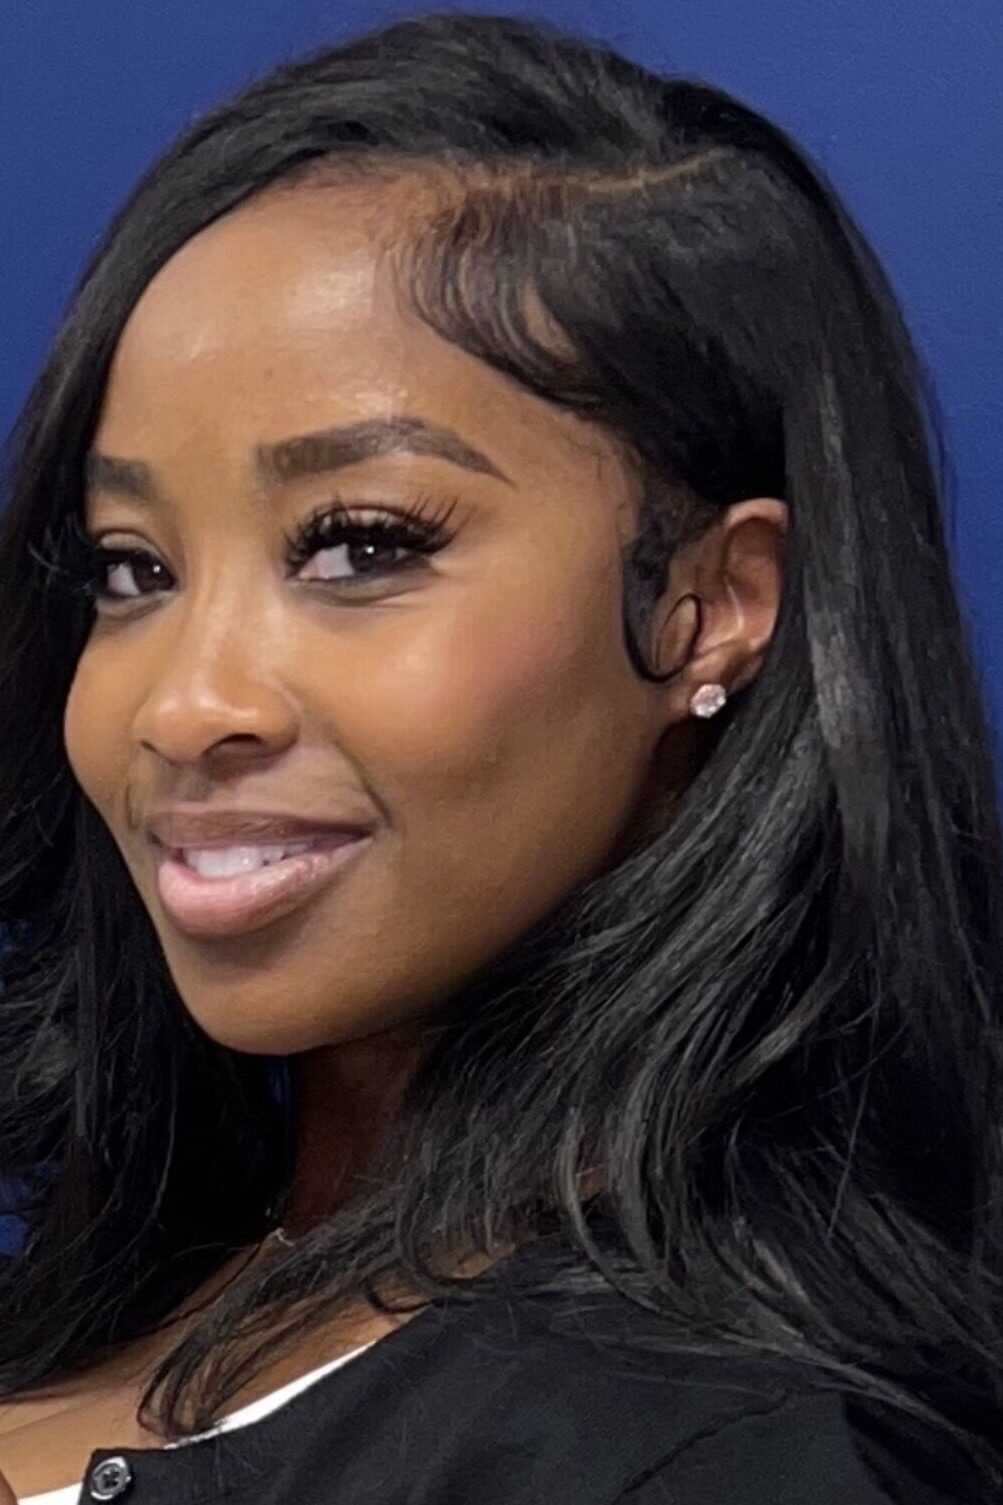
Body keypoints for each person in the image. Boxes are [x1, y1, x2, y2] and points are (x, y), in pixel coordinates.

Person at [0, 9, 1000, 1502]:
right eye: (131, 567)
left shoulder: (730, 1457)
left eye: (359, 544)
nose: (183, 702)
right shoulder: (128, 1290)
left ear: (707, 606)